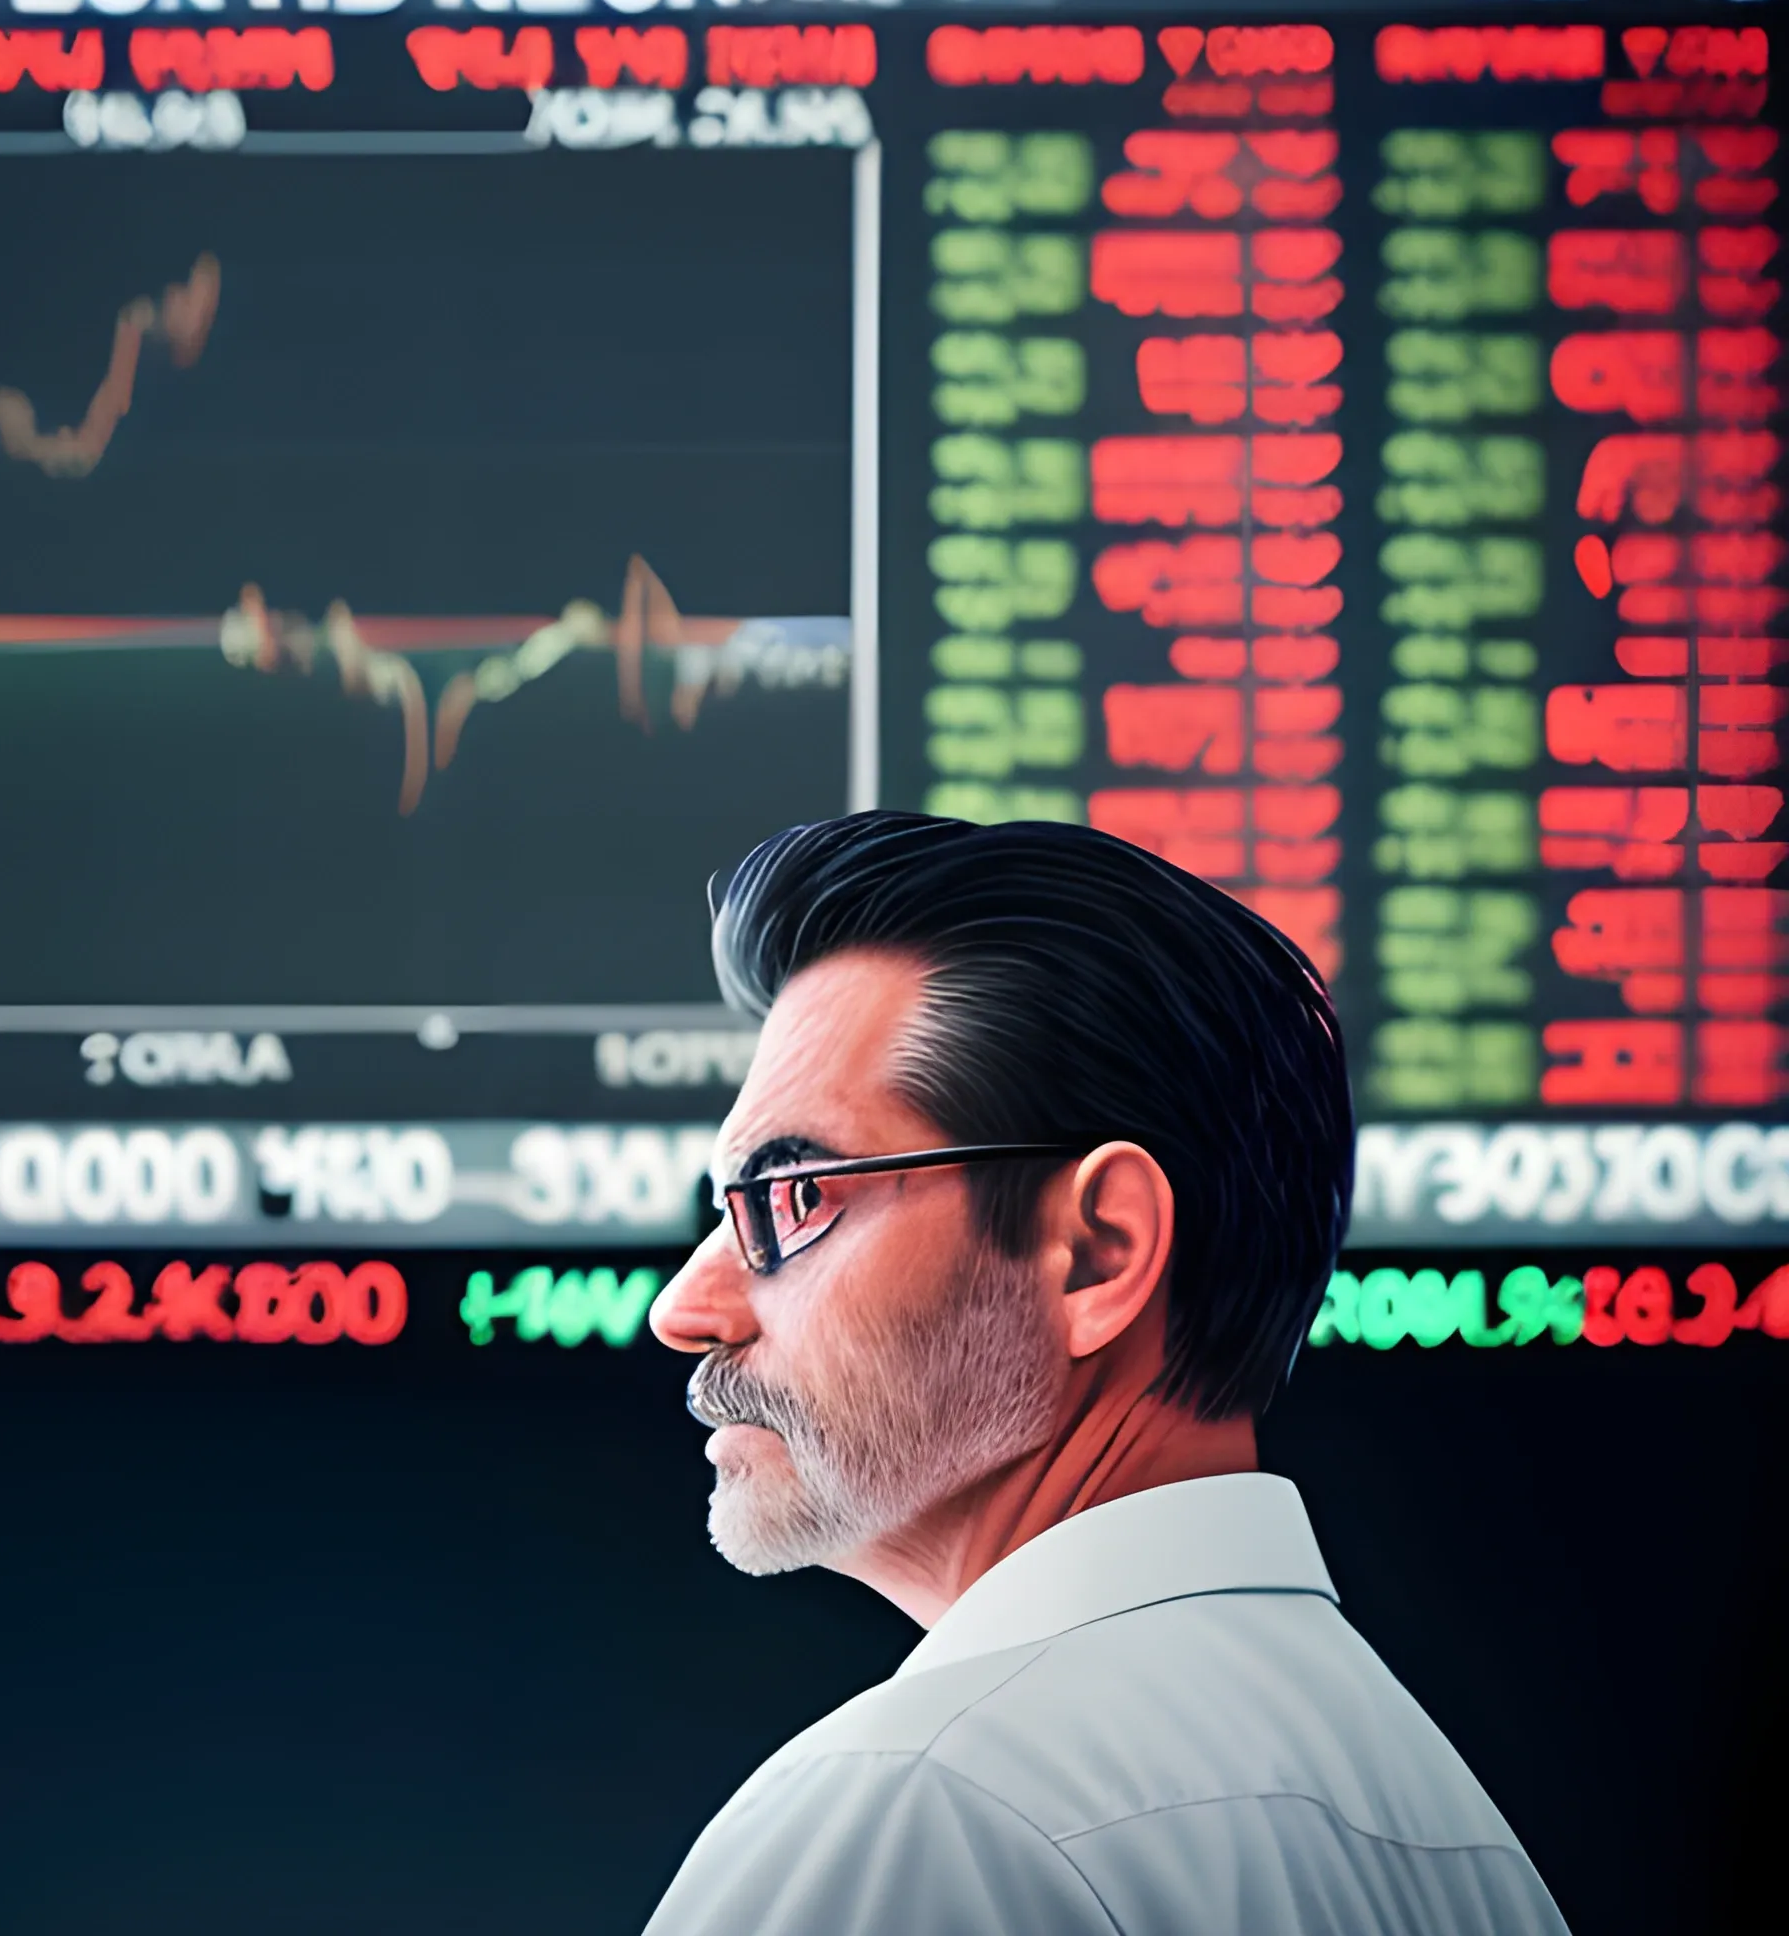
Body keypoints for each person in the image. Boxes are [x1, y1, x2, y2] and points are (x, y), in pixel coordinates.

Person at [641, 812, 1568, 1935]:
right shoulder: (1451, 1836)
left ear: (1097, 1250)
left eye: (791, 1197)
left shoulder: (908, 1807)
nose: (683, 1308)